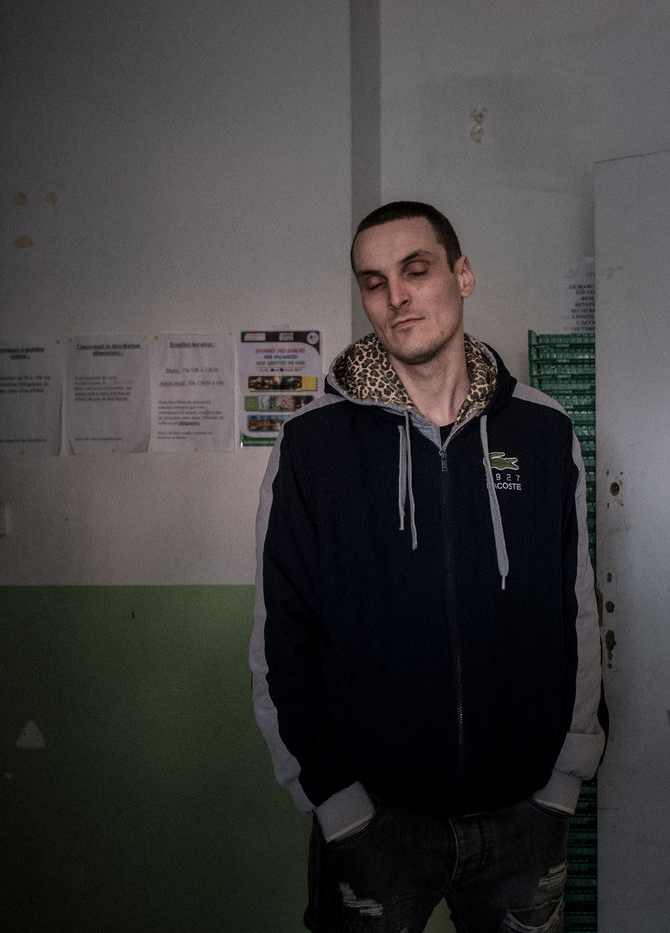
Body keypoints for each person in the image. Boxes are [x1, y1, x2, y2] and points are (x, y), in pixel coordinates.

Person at [250, 201, 606, 932]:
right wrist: (336, 805)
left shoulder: (542, 431)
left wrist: (566, 775)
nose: (396, 297)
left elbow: (574, 608)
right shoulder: (312, 446)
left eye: (416, 270)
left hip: (524, 815)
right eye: (374, 282)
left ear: (462, 274)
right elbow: (281, 632)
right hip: (373, 823)